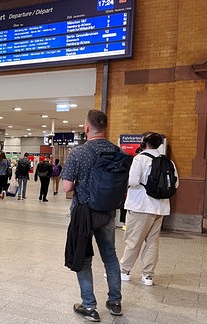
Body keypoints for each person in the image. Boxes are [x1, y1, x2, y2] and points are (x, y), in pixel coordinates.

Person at [61, 110, 122, 321]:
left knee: (84, 258)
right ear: (105, 127)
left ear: (87, 127)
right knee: (110, 257)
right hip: (108, 211)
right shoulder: (116, 150)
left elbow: (67, 187)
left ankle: (89, 307)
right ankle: (115, 301)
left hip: (84, 213)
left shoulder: (79, 152)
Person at [119, 132, 178, 286]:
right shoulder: (168, 162)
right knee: (152, 242)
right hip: (161, 208)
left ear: (143, 142)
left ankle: (124, 271)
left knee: (133, 240)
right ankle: (148, 276)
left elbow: (132, 181)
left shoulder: (140, 159)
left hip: (140, 207)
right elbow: (175, 184)